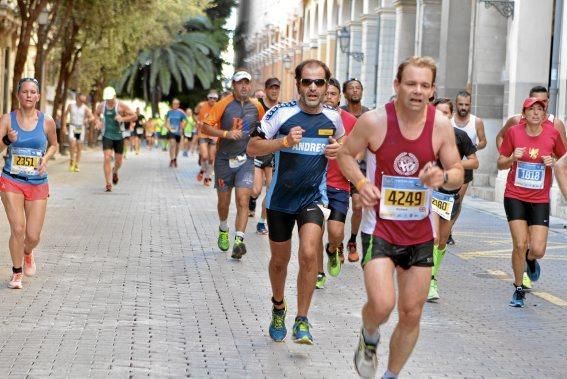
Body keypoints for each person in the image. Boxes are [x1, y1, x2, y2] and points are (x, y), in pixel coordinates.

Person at [337, 56, 463, 378]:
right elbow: (345, 155)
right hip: (379, 229)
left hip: (420, 233)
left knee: (411, 313)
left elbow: (457, 172)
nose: (417, 91)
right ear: (397, 85)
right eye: (411, 83)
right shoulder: (375, 121)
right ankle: (369, 335)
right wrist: (362, 183)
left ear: (432, 90)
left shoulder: (440, 125)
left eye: (424, 85)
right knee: (382, 305)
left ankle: (391, 375)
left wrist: (442, 178)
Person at [247, 59, 344, 345]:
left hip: (313, 197)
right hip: (280, 200)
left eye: (319, 82)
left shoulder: (333, 118)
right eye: (307, 82)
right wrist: (283, 143)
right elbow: (252, 146)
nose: (313, 88)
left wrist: (340, 148)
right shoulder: (281, 113)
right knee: (280, 262)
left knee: (310, 253)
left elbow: (346, 143)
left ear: (327, 86)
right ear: (298, 84)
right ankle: (279, 307)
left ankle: (302, 319)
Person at [496, 86, 567, 290]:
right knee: (519, 244)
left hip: (540, 198)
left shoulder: (553, 133)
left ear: (545, 113)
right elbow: (500, 163)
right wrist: (511, 158)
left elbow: (563, 160)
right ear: (524, 113)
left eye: (540, 109)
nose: (535, 113)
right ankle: (518, 288)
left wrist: (552, 160)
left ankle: (530, 259)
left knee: (537, 249)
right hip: (515, 195)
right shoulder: (514, 132)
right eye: (531, 109)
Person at [0, 77, 58, 289]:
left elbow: (54, 144)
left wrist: (46, 158)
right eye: (25, 91)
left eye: (33, 92)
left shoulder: (47, 121)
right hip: (11, 179)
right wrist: (7, 140)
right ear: (18, 95)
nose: (29, 95)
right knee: (18, 229)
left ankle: (27, 252)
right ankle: (16, 273)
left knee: (32, 236)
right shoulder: (7, 119)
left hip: (37, 182)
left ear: (38, 96)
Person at [201, 70, 265, 259]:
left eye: (247, 83)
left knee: (243, 199)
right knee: (224, 202)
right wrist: (226, 134)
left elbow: (264, 126)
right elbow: (205, 126)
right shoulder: (223, 104)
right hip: (224, 160)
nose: (244, 86)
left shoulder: (257, 106)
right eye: (240, 83)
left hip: (246, 159)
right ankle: (223, 228)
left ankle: (239, 240)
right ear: (233, 85)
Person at [427, 98, 478, 301]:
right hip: (429, 193)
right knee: (434, 237)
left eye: (446, 113)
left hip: (448, 196)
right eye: (438, 112)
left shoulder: (460, 136)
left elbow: (474, 162)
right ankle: (429, 280)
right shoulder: (423, 136)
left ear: (451, 116)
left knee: (442, 241)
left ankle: (433, 274)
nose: (442, 117)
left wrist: (454, 165)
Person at [315, 78, 357, 289]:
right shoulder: (314, 118)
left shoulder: (351, 121)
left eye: (333, 94)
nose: (329, 98)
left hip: (339, 185)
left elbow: (358, 153)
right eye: (327, 94)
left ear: (340, 96)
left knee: (336, 232)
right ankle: (318, 272)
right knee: (314, 233)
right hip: (314, 185)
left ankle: (332, 249)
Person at [447, 90, 487, 245]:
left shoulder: (476, 121)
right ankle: (442, 228)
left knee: (457, 200)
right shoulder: (449, 120)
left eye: (467, 104)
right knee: (444, 198)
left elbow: (483, 140)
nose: (463, 107)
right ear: (456, 105)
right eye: (461, 104)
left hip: (466, 165)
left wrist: (474, 147)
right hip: (447, 165)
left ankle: (448, 230)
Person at [341, 78, 370, 264]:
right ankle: (335, 243)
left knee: (358, 206)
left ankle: (352, 240)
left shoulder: (368, 115)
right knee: (339, 209)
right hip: (341, 167)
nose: (355, 91)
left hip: (361, 168)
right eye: (351, 88)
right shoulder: (340, 113)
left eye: (358, 88)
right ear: (345, 93)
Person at [249, 77, 281, 235]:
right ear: (266, 90)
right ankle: (252, 199)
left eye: (277, 88)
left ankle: (262, 222)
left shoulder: (282, 109)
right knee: (255, 190)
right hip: (257, 153)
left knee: (271, 191)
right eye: (271, 88)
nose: (274, 91)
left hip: (273, 155)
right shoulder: (257, 106)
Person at [94, 86, 136, 192]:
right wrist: (97, 122)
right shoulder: (102, 106)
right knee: (107, 157)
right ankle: (108, 183)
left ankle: (115, 171)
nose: (108, 100)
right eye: (107, 98)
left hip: (119, 136)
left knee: (119, 161)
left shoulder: (121, 106)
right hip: (107, 135)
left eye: (110, 98)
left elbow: (134, 116)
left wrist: (123, 118)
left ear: (114, 96)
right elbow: (96, 114)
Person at [63, 93, 93, 172]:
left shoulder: (85, 108)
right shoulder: (71, 106)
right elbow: (65, 115)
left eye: (83, 100)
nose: (82, 102)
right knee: (72, 144)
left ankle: (76, 164)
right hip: (72, 126)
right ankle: (72, 160)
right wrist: (64, 126)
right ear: (77, 98)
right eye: (81, 100)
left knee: (79, 147)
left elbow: (92, 117)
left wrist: (87, 120)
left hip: (79, 128)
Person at [195, 91, 219, 186]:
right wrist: (197, 121)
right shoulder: (201, 105)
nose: (212, 100)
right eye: (211, 98)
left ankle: (207, 176)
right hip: (203, 133)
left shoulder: (219, 106)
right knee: (204, 156)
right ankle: (203, 169)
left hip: (213, 134)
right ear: (207, 98)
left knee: (211, 158)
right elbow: (195, 114)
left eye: (215, 98)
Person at [165, 98, 186, 168]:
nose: (175, 105)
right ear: (172, 104)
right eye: (174, 103)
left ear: (179, 105)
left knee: (177, 147)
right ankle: (171, 159)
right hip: (171, 131)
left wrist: (181, 128)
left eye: (177, 104)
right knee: (172, 144)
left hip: (178, 132)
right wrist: (169, 128)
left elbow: (184, 121)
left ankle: (175, 158)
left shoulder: (181, 112)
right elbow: (167, 121)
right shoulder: (169, 112)